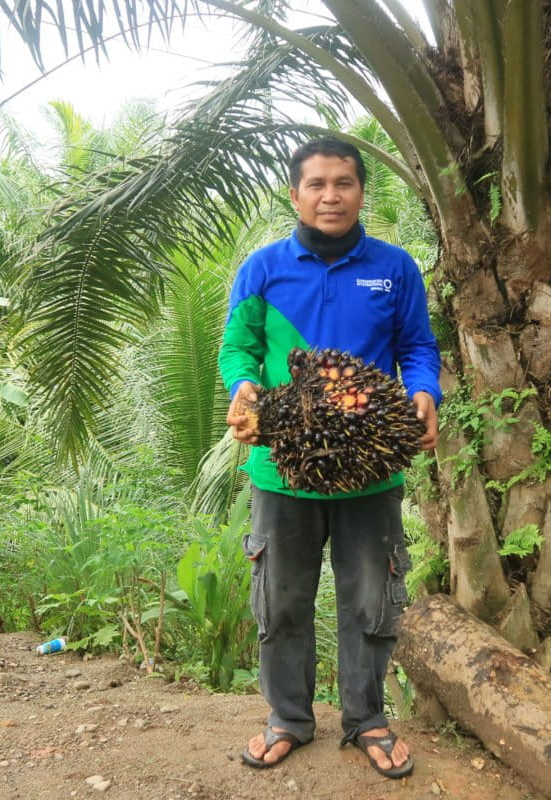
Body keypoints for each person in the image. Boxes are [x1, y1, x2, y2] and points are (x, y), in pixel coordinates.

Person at [218, 137, 441, 780]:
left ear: (362, 192)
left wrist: (425, 393)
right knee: (281, 601)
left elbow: (418, 347)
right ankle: (288, 717)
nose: (330, 195)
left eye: (343, 182)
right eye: (316, 184)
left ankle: (366, 719)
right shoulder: (264, 269)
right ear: (296, 194)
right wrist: (243, 388)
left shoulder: (395, 268)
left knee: (371, 598)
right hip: (280, 470)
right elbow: (238, 348)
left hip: (372, 472)